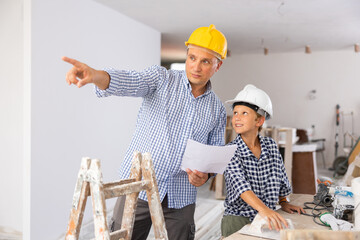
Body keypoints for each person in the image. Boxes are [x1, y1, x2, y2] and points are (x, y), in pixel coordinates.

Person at [62, 24, 227, 240]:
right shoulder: (161, 79)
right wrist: (96, 76)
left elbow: (214, 153)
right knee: (123, 237)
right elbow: (131, 80)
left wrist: (205, 175)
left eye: (205, 61)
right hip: (137, 186)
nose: (196, 66)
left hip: (181, 194)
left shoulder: (217, 109)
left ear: (218, 65)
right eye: (192, 58)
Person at [221, 84, 305, 238]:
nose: (237, 118)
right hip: (238, 219)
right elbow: (241, 187)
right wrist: (264, 210)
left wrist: (284, 202)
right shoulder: (230, 151)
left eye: (244, 113)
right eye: (235, 113)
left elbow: (281, 179)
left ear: (259, 120)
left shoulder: (271, 146)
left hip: (266, 218)